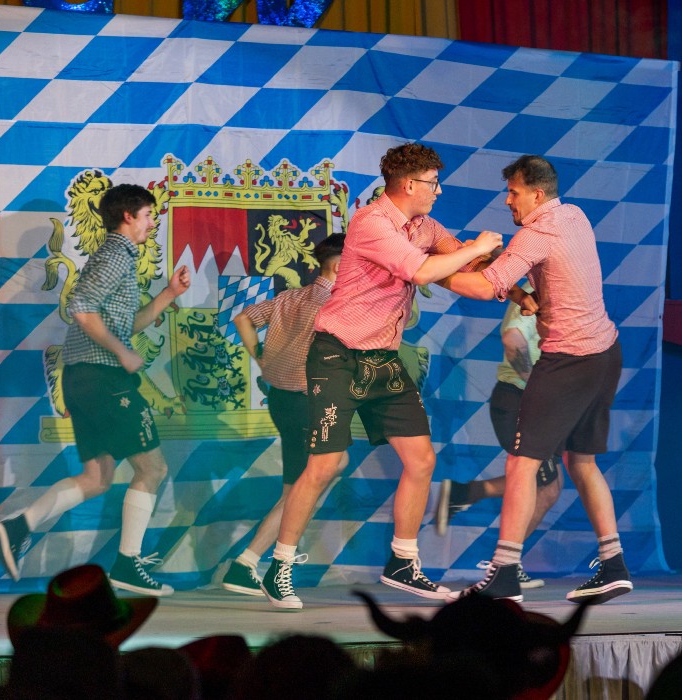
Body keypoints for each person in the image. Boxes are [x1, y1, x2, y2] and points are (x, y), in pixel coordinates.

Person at [259, 142, 502, 609]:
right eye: (433, 183)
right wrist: (479, 247)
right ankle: (279, 567)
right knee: (324, 465)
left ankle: (403, 563)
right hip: (337, 356)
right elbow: (422, 271)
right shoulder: (371, 222)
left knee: (422, 460)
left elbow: (465, 267)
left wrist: (516, 281)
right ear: (408, 184)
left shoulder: (425, 226)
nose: (438, 191)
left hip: (382, 360)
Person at [440, 154, 632, 604]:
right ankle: (614, 566)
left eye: (514, 192)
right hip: (606, 353)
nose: (508, 201)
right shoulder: (574, 215)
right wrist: (523, 292)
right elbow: (540, 273)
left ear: (537, 194)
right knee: (581, 462)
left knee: (521, 465)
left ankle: (505, 575)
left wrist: (430, 271)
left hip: (569, 359)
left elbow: (485, 286)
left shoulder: (535, 234)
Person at [0, 184, 190, 595]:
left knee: (97, 477)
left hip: (84, 378)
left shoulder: (119, 256)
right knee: (152, 469)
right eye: (148, 215)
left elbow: (126, 323)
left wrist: (169, 294)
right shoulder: (116, 254)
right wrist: (122, 353)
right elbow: (81, 308)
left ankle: (19, 526)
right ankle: (127, 564)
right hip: (104, 378)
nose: (152, 223)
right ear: (128, 216)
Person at [218, 234, 348, 596]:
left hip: (281, 399)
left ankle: (248, 564)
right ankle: (248, 563)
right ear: (340, 265)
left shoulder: (291, 297)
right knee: (303, 486)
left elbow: (243, 319)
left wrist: (260, 357)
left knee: (320, 473)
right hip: (307, 402)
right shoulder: (336, 304)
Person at [434, 282, 563, 590]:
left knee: (546, 484)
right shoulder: (533, 292)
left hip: (538, 402)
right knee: (544, 486)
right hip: (522, 400)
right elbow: (512, 337)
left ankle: (464, 495)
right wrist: (535, 385)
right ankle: (504, 565)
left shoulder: (556, 292)